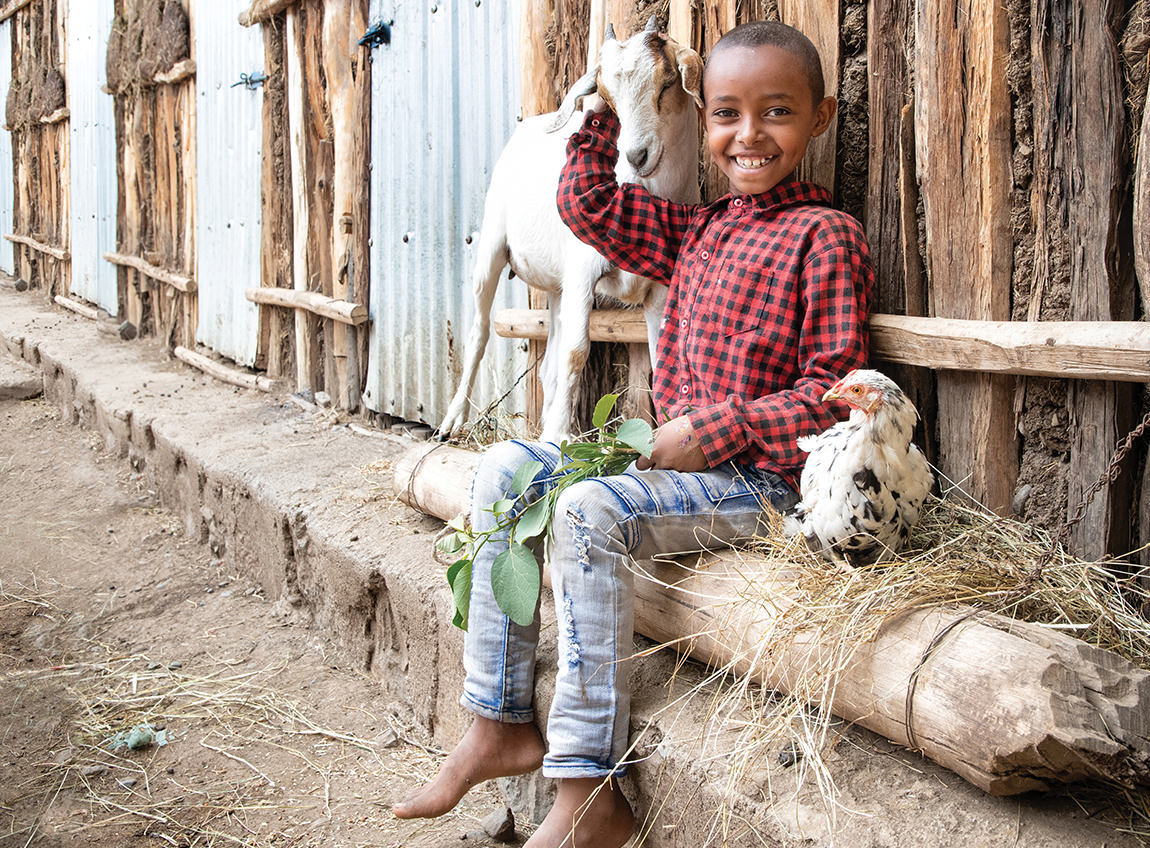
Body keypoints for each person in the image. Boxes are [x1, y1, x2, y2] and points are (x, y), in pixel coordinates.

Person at [394, 19, 873, 848]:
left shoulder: (826, 237)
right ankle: (498, 723)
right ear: (700, 112)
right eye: (726, 113)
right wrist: (604, 106)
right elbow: (587, 203)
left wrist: (716, 427)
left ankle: (589, 791)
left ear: (820, 118)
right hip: (671, 466)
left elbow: (836, 401)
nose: (748, 135)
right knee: (504, 469)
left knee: (587, 509)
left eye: (777, 113)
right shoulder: (698, 231)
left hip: (758, 481)